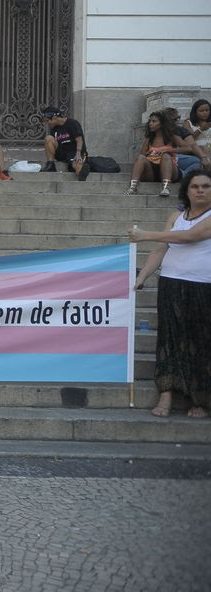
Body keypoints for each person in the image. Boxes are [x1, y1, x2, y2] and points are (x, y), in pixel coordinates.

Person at [130, 169, 211, 418]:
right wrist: (141, 279)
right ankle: (165, 395)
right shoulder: (176, 215)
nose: (200, 190)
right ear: (186, 190)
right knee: (169, 339)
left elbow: (189, 236)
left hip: (202, 286)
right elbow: (160, 250)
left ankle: (199, 399)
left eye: (206, 186)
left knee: (200, 341)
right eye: (195, 186)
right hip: (171, 283)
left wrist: (145, 235)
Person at [127, 111, 182, 196]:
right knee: (141, 157)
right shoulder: (150, 138)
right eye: (150, 121)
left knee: (165, 156)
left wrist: (169, 151)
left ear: (162, 123)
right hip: (152, 170)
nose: (150, 124)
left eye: (154, 121)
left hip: (170, 169)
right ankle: (133, 187)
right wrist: (149, 152)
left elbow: (188, 148)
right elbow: (142, 154)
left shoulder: (171, 137)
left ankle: (166, 188)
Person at [40, 105, 89, 181]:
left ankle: (81, 168)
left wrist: (78, 153)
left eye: (48, 121)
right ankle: (51, 165)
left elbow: (79, 140)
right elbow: (53, 142)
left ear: (54, 117)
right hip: (63, 153)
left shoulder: (72, 123)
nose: (47, 123)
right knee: (48, 138)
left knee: (77, 168)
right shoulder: (54, 129)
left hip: (75, 152)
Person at [161, 106, 208, 179]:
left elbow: (192, 145)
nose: (177, 121)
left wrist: (203, 157)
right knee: (197, 161)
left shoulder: (179, 130)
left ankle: (183, 175)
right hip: (166, 157)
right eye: (174, 119)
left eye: (178, 118)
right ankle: (184, 177)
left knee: (199, 159)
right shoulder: (160, 130)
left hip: (177, 157)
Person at [180, 100, 211, 176]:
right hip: (196, 150)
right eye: (201, 111)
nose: (205, 113)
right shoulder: (188, 123)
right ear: (195, 112)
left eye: (207, 110)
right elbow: (187, 138)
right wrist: (201, 129)